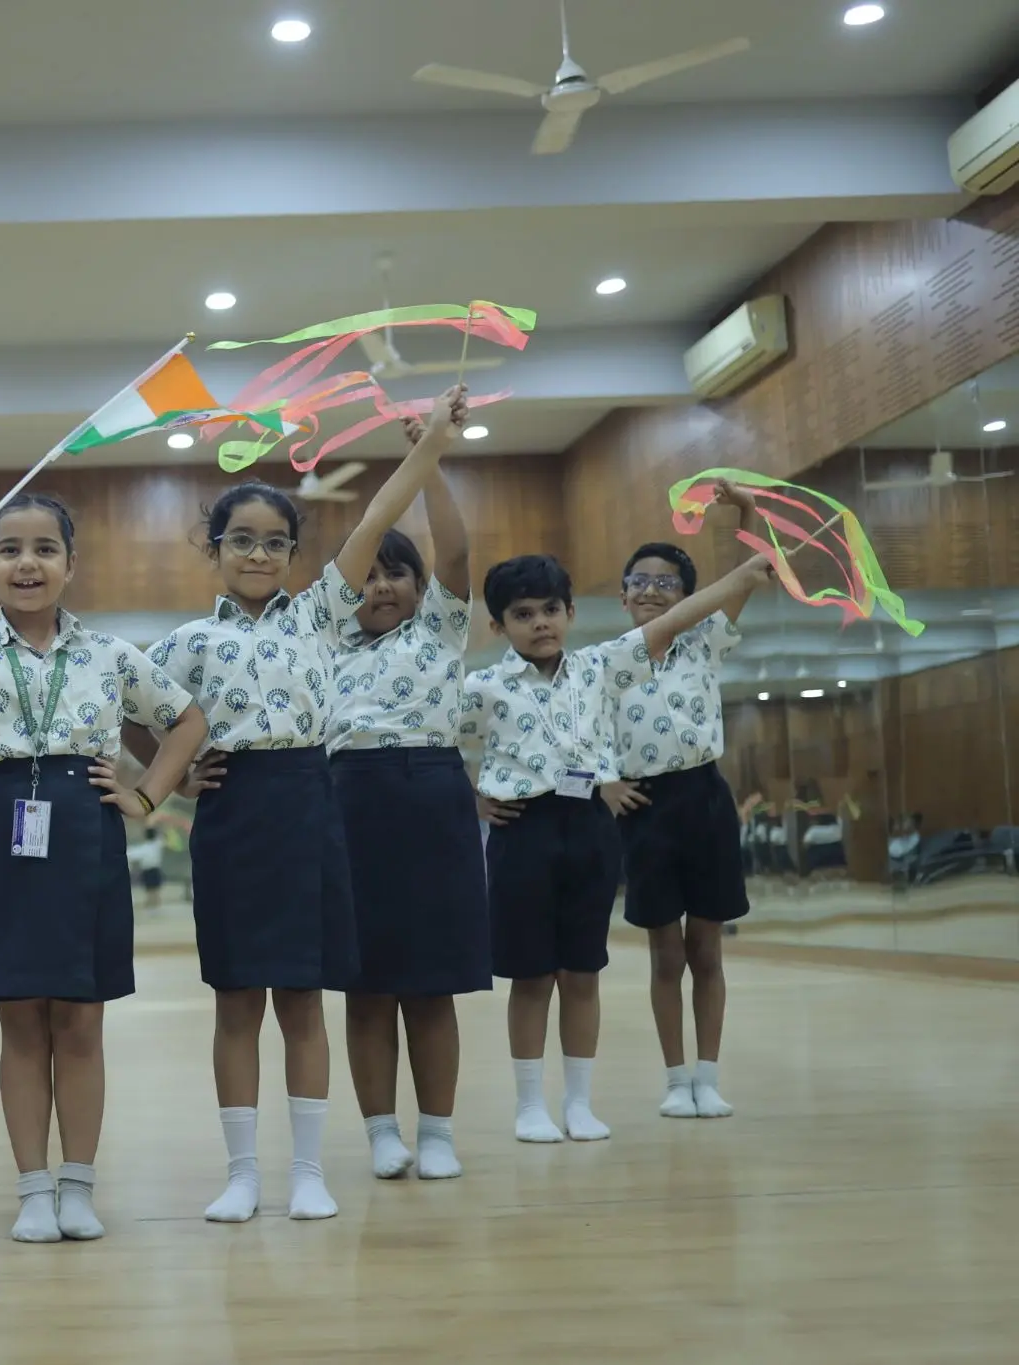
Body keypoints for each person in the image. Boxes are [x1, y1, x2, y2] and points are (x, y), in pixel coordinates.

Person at [0, 492, 208, 1242]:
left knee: (81, 1021)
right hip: (2, 821)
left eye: (45, 548)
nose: (27, 563)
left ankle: (79, 1184)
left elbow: (187, 721)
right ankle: (32, 1189)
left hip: (85, 825)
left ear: (71, 564)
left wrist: (145, 794)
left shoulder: (108, 653)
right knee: (19, 1020)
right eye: (9, 549)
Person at [462, 548, 775, 1145]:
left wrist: (741, 574)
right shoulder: (482, 687)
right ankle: (531, 1106)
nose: (541, 623)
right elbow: (431, 734)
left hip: (588, 831)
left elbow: (676, 622)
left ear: (572, 612)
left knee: (583, 973)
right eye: (523, 615)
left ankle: (579, 1104)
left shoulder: (600, 667)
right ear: (499, 626)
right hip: (520, 831)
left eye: (551, 609)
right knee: (531, 977)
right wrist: (472, 798)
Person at [133, 480, 357, 1222]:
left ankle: (307, 1170)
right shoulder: (189, 641)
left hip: (307, 807)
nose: (258, 553)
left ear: (294, 553)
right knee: (236, 1001)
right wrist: (174, 777)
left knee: (302, 999)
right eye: (241, 539)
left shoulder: (323, 614)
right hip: (231, 815)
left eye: (274, 541)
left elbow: (384, 514)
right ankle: (241, 1174)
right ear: (216, 547)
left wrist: (427, 447)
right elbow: (131, 706)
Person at [324, 387, 480, 1182]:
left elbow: (454, 554)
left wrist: (433, 460)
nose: (382, 586)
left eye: (398, 574)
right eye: (371, 575)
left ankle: (441, 1132)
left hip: (434, 797)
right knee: (367, 985)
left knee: (433, 984)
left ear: (419, 588)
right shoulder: (326, 647)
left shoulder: (442, 630)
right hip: (350, 801)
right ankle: (382, 1130)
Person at [600, 481, 766, 1120]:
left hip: (704, 800)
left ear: (690, 597)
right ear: (621, 595)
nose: (648, 590)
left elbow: (748, 573)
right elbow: (578, 733)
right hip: (645, 807)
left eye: (665, 582)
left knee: (707, 947)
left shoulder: (704, 643)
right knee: (665, 952)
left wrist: (746, 509)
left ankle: (707, 1076)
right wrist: (604, 783)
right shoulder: (608, 662)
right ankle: (674, 1079)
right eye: (637, 581)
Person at [127, 827, 166, 909]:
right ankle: (156, 906)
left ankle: (151, 906)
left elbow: (132, 854)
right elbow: (162, 837)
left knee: (149, 890)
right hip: (155, 869)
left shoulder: (145, 847)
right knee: (156, 890)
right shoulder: (158, 844)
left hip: (148, 870)